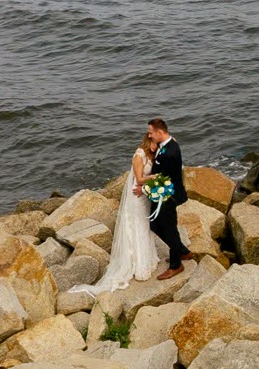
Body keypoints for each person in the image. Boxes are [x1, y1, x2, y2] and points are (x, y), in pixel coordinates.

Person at [81, 127, 162, 293]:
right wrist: (155, 178)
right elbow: (139, 179)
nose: (156, 147)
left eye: (158, 144)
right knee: (138, 226)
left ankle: (148, 258)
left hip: (145, 196)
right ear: (148, 140)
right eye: (154, 143)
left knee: (146, 225)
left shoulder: (154, 155)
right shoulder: (139, 155)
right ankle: (139, 265)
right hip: (137, 197)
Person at [144, 117, 189, 280]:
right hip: (163, 193)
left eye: (151, 133)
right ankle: (182, 250)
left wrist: (141, 185)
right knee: (154, 225)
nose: (149, 136)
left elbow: (162, 177)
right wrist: (155, 148)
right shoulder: (167, 145)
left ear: (160, 132)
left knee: (170, 229)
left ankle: (176, 265)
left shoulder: (170, 152)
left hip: (168, 195)